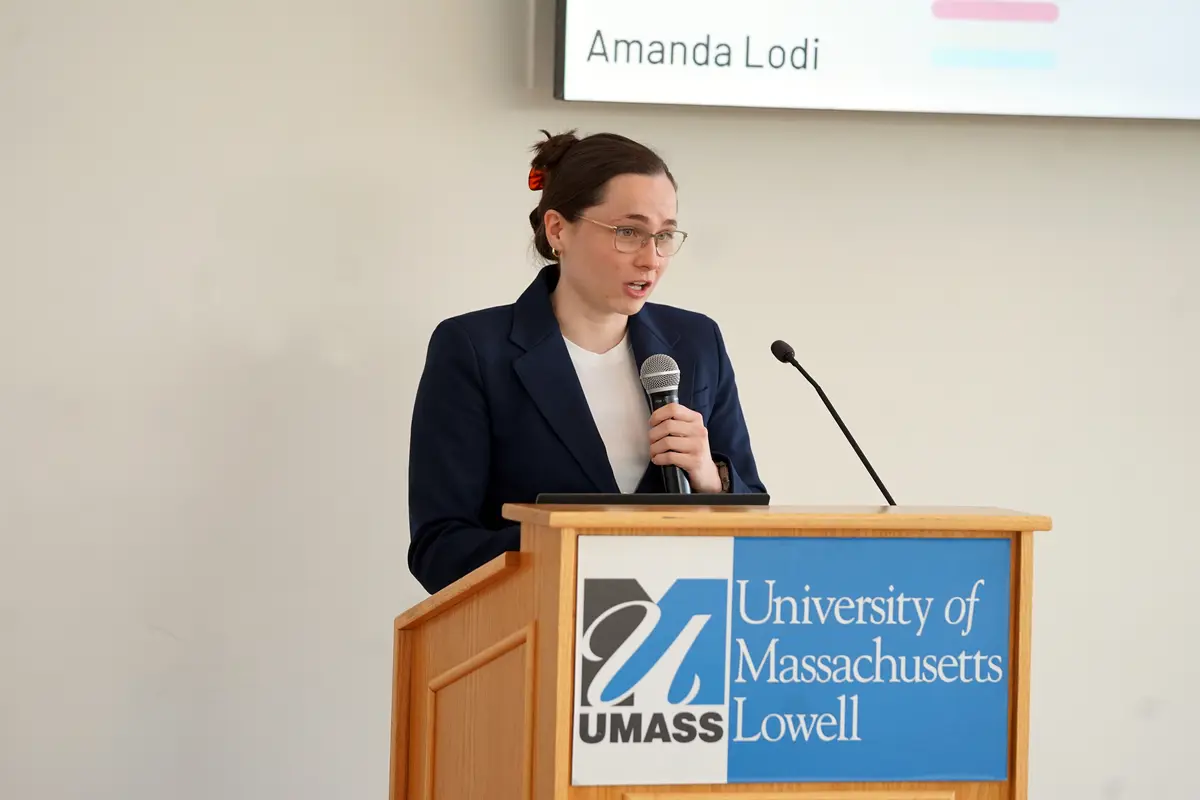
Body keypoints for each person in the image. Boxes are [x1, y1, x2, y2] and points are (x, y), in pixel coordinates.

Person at [406, 129, 767, 594]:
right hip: (533, 635)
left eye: (665, 235)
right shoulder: (475, 350)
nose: (651, 259)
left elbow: (754, 515)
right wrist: (582, 546)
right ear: (558, 229)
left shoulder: (696, 342)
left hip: (685, 630)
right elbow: (439, 548)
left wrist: (709, 478)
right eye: (628, 232)